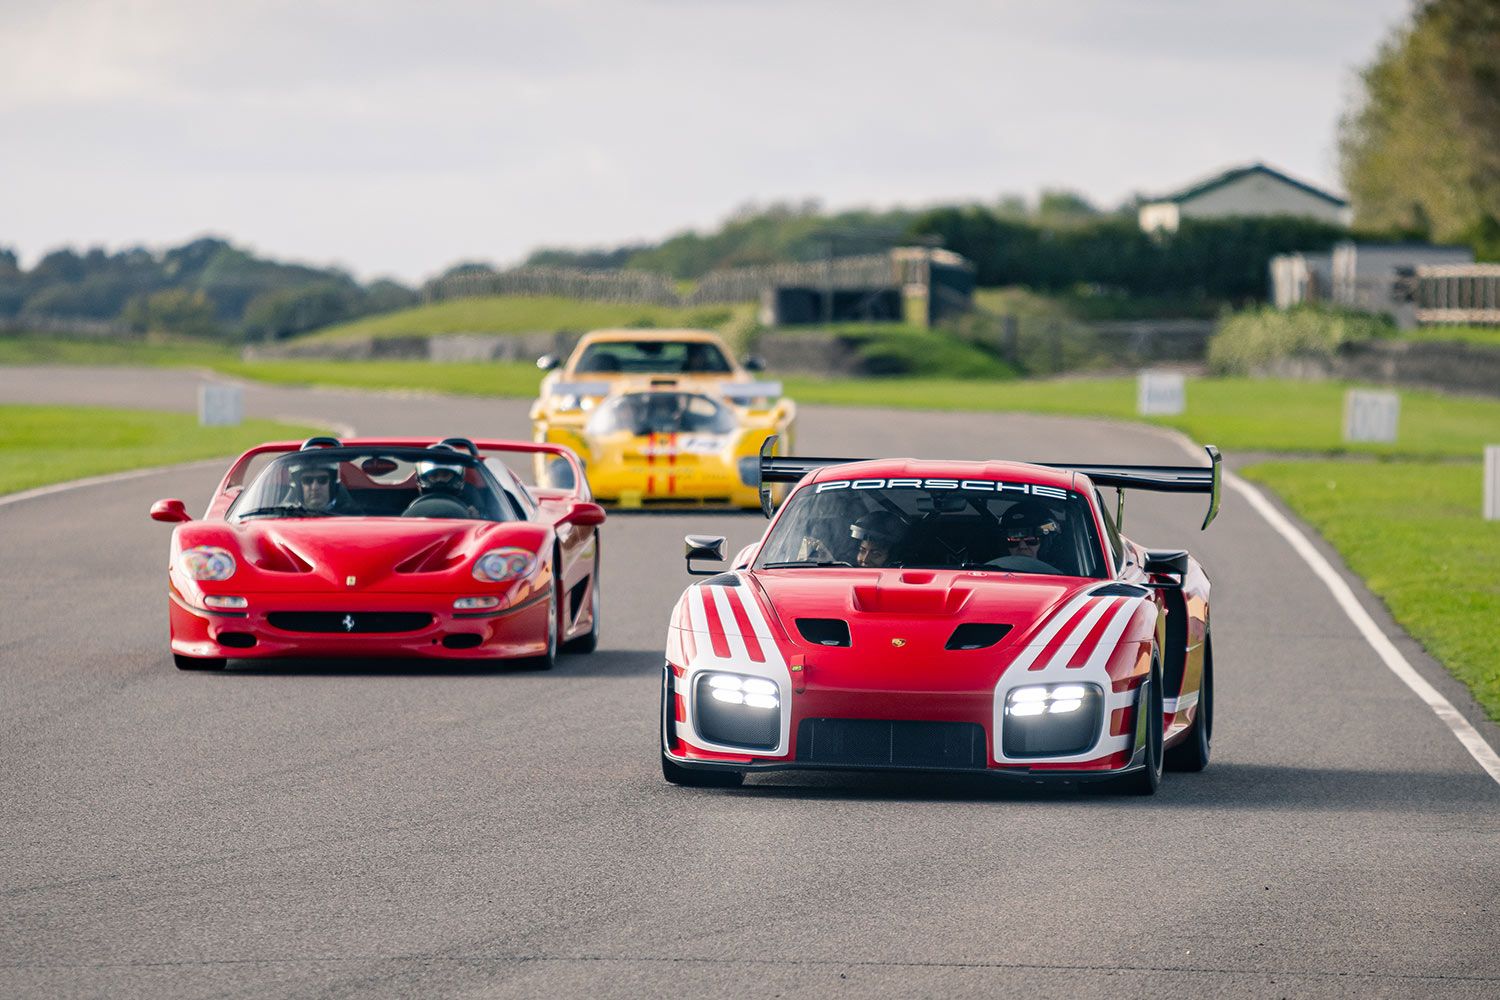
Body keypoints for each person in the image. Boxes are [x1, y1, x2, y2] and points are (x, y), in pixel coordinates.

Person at [287, 458, 352, 514]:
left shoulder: (353, 516)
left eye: (322, 479)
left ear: (332, 484)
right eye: (307, 480)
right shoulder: (284, 515)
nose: (315, 487)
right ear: (298, 486)